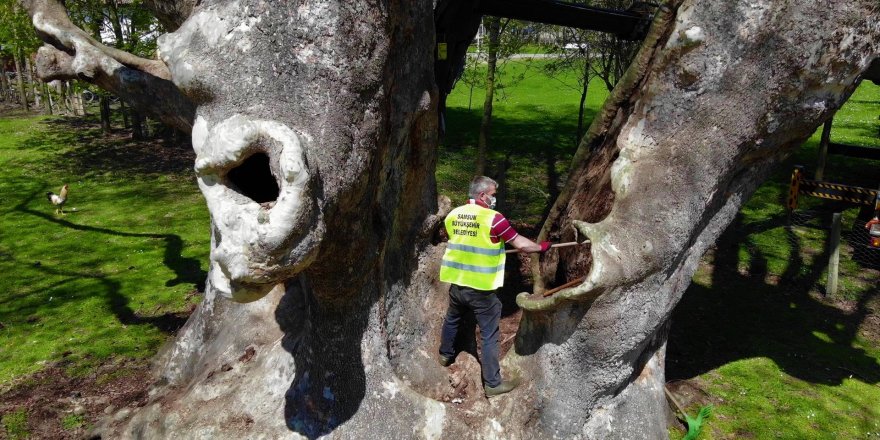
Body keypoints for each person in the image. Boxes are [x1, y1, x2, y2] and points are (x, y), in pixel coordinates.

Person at [438, 176, 551, 397]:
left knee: (452, 319)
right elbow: (521, 244)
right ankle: (492, 383)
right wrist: (541, 247)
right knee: (490, 334)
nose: (494, 199)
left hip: (457, 282)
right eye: (493, 195)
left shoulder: (453, 215)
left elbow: (463, 240)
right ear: (482, 195)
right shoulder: (494, 219)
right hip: (481, 289)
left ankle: (445, 355)